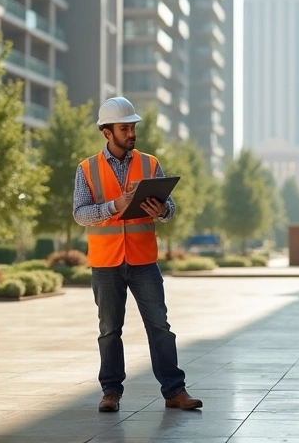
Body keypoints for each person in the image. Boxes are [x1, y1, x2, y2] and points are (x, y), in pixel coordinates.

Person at [72, 97, 203, 413]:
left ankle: (175, 391)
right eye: (124, 128)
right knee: (109, 330)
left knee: (160, 325)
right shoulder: (86, 169)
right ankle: (111, 392)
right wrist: (115, 206)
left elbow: (168, 208)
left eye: (132, 127)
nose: (131, 133)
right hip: (106, 263)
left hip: (144, 261)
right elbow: (80, 214)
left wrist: (162, 210)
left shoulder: (150, 163)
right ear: (107, 132)